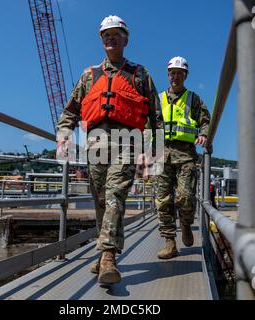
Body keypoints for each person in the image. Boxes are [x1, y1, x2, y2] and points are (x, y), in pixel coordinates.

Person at [56, 15, 163, 284]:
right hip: (96, 147)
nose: (111, 37)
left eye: (116, 33)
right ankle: (104, 251)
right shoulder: (89, 75)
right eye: (106, 34)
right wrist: (63, 136)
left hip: (128, 143)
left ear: (126, 39)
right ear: (101, 40)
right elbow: (70, 110)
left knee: (115, 194)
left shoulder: (140, 74)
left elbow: (156, 116)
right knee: (102, 201)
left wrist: (153, 150)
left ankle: (107, 258)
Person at [156, 56, 211, 259]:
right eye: (173, 73)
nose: (176, 76)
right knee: (163, 201)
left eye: (180, 73)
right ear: (168, 74)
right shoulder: (159, 99)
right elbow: (147, 125)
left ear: (185, 75)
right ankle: (170, 242)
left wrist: (204, 134)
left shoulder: (193, 99)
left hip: (186, 154)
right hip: (161, 154)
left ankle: (186, 224)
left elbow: (205, 119)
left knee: (185, 197)